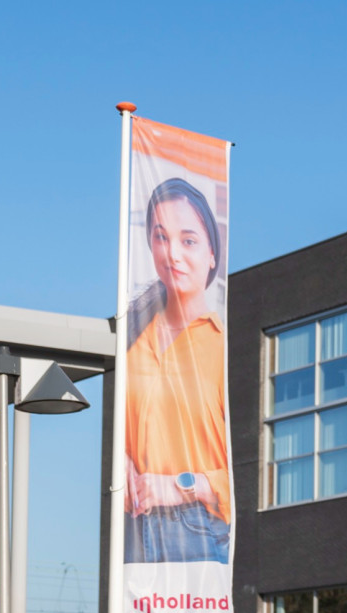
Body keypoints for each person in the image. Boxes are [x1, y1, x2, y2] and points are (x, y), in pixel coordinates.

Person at [125, 178, 230, 564]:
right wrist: (122, 459)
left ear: (212, 254)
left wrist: (183, 486)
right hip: (131, 528)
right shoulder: (131, 341)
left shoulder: (223, 347)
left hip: (198, 530)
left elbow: (252, 471)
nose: (172, 253)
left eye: (188, 240)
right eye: (161, 237)